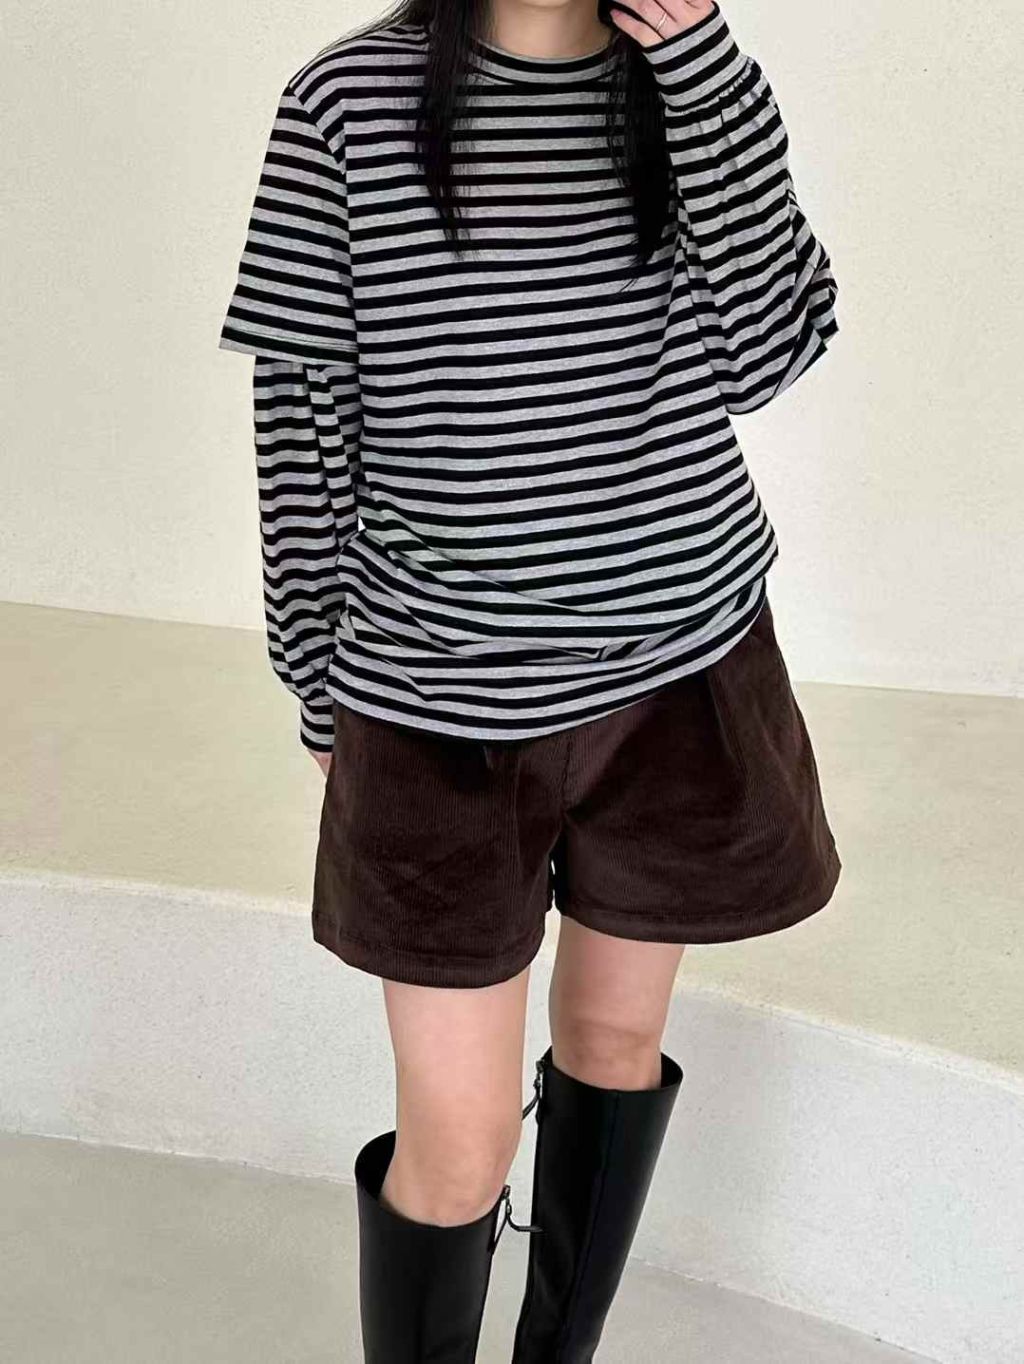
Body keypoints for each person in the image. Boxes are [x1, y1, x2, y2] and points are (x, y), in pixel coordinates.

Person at [218, 0, 842, 1356]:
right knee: (459, 1148)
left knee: (614, 1051)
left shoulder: (691, 89)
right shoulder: (347, 104)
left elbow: (770, 355)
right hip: (433, 704)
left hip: (678, 676)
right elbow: (304, 423)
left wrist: (699, 69)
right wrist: (318, 680)